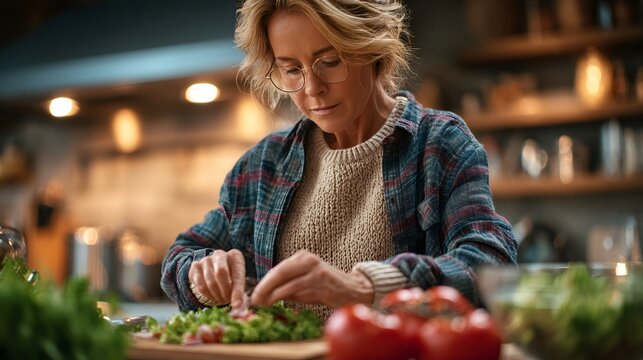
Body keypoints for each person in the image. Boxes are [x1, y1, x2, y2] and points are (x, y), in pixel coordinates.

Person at [160, 0, 517, 320]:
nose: (312, 88)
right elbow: (182, 255)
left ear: (372, 47)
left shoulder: (438, 144)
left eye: (329, 61)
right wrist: (202, 274)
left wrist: (366, 286)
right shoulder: (262, 165)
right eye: (292, 70)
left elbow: (490, 262)